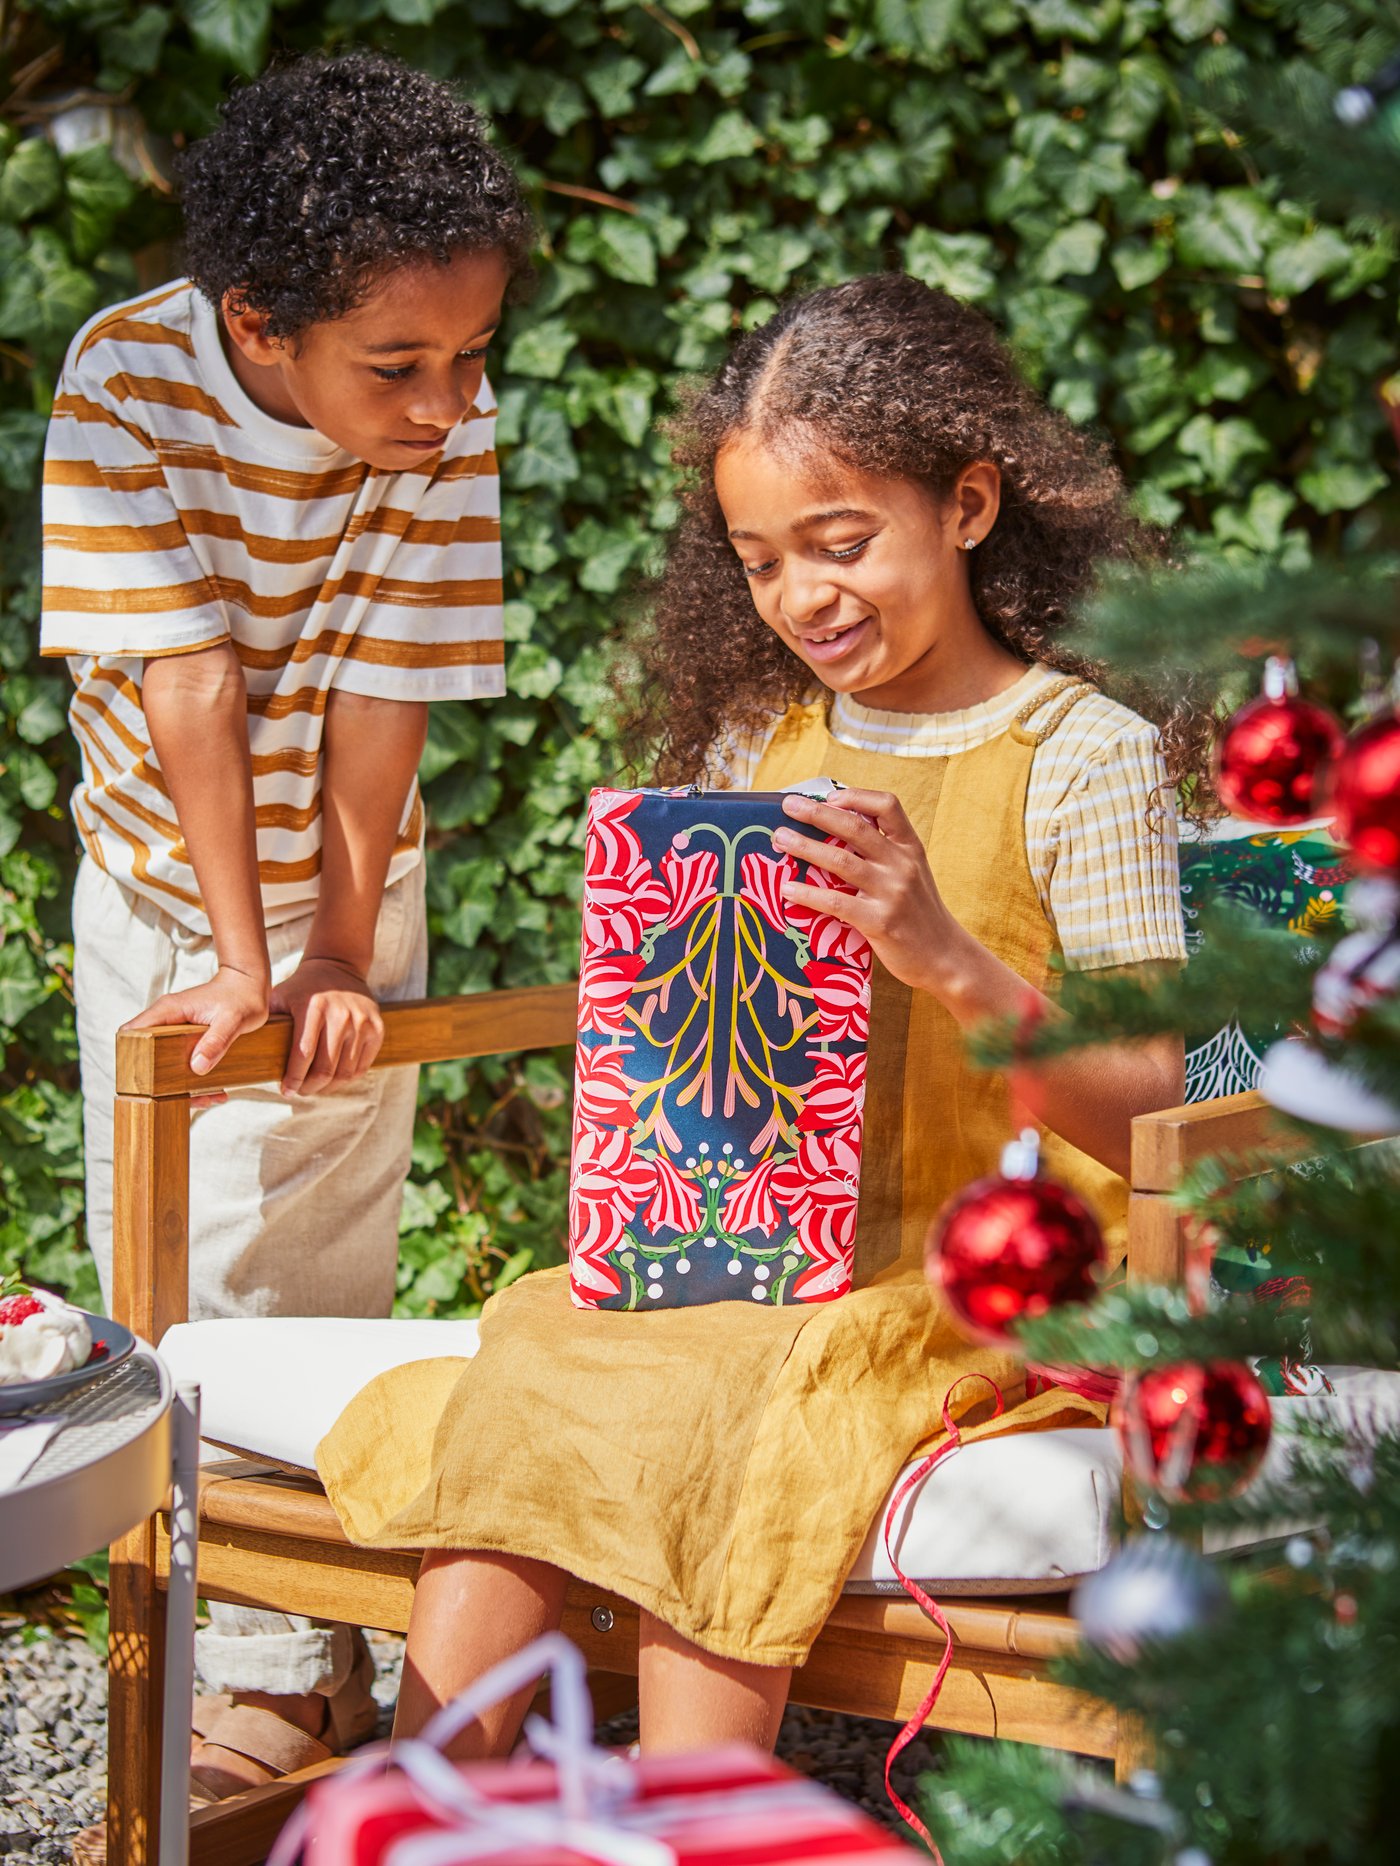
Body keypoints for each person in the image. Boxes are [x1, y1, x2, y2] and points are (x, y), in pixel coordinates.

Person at [317, 274, 1196, 1757]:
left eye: (843, 543)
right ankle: (423, 1816)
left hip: (973, 1276)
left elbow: (1157, 1100)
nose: (803, 597)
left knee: (753, 1382)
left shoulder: (1082, 753)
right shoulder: (759, 738)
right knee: (549, 1335)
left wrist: (946, 954)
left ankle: (690, 1812)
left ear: (969, 504)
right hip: (742, 1253)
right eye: (761, 559)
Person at [40, 49, 532, 1807]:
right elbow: (190, 676)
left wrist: (333, 952)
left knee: (330, 1237)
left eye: (471, 356)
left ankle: (321, 1643)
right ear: (258, 325)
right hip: (172, 887)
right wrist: (242, 962)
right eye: (397, 366)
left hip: (348, 878)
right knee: (190, 1260)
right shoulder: (127, 380)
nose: (442, 401)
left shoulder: (439, 420)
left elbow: (385, 690)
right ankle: (250, 1664)